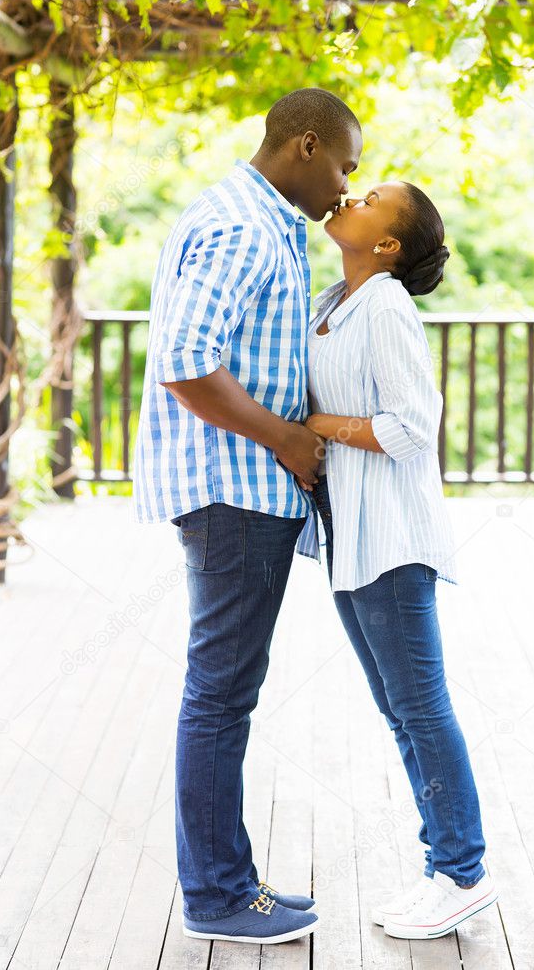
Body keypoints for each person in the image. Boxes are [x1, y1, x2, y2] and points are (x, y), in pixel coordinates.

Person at [132, 88, 362, 945]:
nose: (346, 186)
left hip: (240, 490)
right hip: (234, 491)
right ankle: (218, 894)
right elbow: (187, 364)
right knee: (220, 697)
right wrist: (290, 442)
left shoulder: (260, 217)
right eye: (344, 164)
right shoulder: (243, 225)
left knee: (224, 694)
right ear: (305, 145)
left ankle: (228, 879)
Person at [297, 181, 499, 940]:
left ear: (387, 246)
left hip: (391, 540)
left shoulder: (383, 304)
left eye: (372, 197)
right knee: (401, 712)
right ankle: (445, 868)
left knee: (420, 708)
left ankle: (463, 872)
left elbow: (413, 424)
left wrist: (316, 424)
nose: (351, 193)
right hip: (351, 539)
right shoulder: (331, 302)